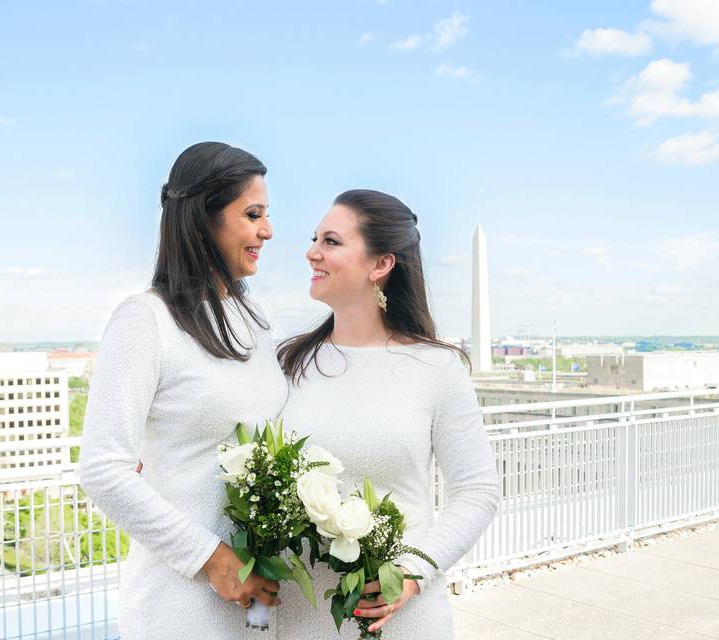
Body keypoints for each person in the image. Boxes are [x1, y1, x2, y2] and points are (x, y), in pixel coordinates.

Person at [79, 142, 289, 638]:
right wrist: (212, 559)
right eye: (253, 214)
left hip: (260, 599)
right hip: (181, 603)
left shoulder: (256, 318)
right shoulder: (144, 320)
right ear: (204, 220)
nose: (268, 230)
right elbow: (103, 469)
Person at [275, 189, 501, 638]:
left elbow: (477, 490)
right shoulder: (287, 362)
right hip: (301, 617)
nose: (311, 252)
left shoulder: (436, 367)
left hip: (399, 620)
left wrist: (413, 573)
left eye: (331, 241)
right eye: (314, 238)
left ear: (381, 265)